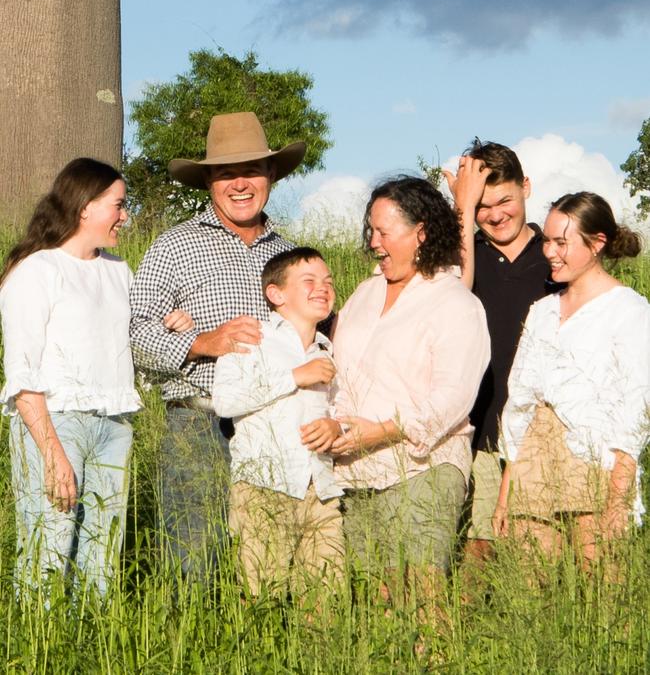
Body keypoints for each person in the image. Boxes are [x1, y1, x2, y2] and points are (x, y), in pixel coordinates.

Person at [129, 112, 305, 577]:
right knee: (193, 557)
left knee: (267, 561)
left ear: (271, 176)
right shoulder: (175, 245)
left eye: (251, 171)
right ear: (208, 181)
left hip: (271, 423)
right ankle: (187, 647)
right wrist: (202, 341)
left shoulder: (288, 254)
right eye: (227, 173)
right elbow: (134, 333)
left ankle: (260, 644)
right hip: (198, 421)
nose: (240, 184)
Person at [330, 176, 490, 604]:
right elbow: (341, 373)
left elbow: (452, 398)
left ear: (420, 232)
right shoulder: (364, 294)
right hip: (357, 467)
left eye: (384, 232)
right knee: (378, 599)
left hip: (424, 464)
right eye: (371, 232)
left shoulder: (455, 302)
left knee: (420, 592)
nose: (374, 243)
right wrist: (339, 428)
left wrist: (385, 429)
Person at [0, 158, 142, 595]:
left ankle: (89, 651)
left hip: (114, 425)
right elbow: (22, 374)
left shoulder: (119, 271)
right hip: (56, 422)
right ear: (86, 207)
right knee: (48, 551)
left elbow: (127, 341)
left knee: (102, 557)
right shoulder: (37, 271)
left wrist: (167, 323)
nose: (124, 216)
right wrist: (51, 452)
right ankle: (37, 653)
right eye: (117, 205)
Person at [494, 192, 650, 569]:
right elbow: (519, 404)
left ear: (596, 244)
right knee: (529, 590)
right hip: (533, 461)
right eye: (547, 240)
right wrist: (505, 495)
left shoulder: (629, 310)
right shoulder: (542, 311)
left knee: (600, 588)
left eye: (561, 242)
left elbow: (636, 408)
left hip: (593, 460)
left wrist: (618, 498)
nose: (549, 251)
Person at [443, 140, 560, 566]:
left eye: (504, 200)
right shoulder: (465, 255)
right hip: (482, 425)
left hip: (543, 430)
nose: (495, 215)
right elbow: (450, 293)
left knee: (539, 555)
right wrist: (461, 206)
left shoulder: (555, 257)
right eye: (482, 206)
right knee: (479, 547)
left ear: (526, 186)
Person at [212, 247, 344, 595]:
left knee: (326, 601)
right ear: (276, 294)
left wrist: (336, 427)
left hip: (320, 490)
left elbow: (337, 409)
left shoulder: (327, 349)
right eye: (309, 281)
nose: (323, 288)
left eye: (328, 281)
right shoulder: (252, 339)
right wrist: (294, 376)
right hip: (264, 487)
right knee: (262, 598)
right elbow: (224, 401)